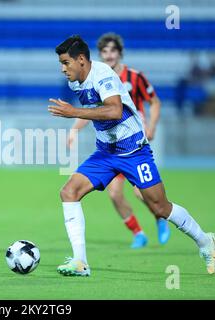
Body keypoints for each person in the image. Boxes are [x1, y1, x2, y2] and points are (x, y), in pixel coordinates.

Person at [48, 35, 215, 276]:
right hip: (106, 151)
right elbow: (94, 112)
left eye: (66, 62)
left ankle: (205, 241)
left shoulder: (103, 74)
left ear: (82, 60)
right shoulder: (76, 82)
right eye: (61, 63)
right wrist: (76, 124)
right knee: (69, 192)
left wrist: (74, 112)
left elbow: (115, 110)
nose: (62, 68)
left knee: (160, 208)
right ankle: (80, 262)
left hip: (133, 150)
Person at [67, 33, 168, 249]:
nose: (109, 55)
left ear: (119, 53)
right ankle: (138, 233)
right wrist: (74, 129)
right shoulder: (92, 79)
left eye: (112, 51)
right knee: (114, 193)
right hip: (111, 148)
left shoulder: (135, 77)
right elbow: (93, 111)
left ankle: (160, 215)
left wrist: (151, 125)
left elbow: (155, 101)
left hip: (134, 141)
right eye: (104, 51)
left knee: (143, 193)